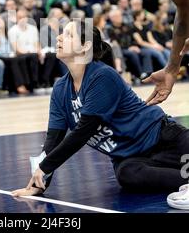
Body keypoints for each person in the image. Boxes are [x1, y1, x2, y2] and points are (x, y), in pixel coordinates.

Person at [12, 20, 189, 210]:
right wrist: (40, 183)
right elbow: (53, 139)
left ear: (85, 46)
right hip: (131, 158)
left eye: (68, 35)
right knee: (127, 176)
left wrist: (45, 167)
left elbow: (84, 131)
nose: (59, 37)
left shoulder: (102, 76)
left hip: (164, 139)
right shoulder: (60, 89)